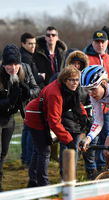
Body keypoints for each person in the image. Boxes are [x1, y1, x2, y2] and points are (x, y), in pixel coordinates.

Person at [24, 65, 88, 187]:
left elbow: (75, 102)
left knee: (38, 150)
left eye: (77, 80)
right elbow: (54, 122)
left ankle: (33, 181)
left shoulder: (67, 89)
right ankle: (43, 184)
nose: (75, 83)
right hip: (35, 116)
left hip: (41, 115)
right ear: (64, 80)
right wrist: (69, 141)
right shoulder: (55, 94)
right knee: (44, 151)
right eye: (72, 80)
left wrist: (84, 115)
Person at [0, 44, 39, 192]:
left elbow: (37, 89)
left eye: (16, 64)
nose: (13, 68)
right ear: (3, 64)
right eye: (9, 64)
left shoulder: (25, 69)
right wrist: (9, 101)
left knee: (4, 152)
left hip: (10, 118)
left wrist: (28, 92)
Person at [49, 48, 93, 179]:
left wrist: (86, 116)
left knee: (75, 149)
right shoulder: (60, 78)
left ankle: (71, 175)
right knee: (66, 147)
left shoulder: (85, 79)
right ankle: (66, 175)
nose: (77, 66)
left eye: (79, 64)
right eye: (74, 63)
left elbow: (84, 100)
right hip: (65, 119)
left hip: (78, 119)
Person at [83, 29, 109, 179]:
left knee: (107, 136)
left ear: (106, 43)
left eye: (102, 42)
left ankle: (101, 165)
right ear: (92, 43)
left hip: (108, 106)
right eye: (97, 42)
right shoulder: (87, 58)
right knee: (93, 138)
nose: (100, 45)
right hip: (93, 104)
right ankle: (90, 168)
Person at [20, 32, 44, 169]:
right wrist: (40, 77)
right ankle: (28, 160)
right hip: (29, 97)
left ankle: (25, 158)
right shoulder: (24, 57)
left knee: (26, 129)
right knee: (29, 129)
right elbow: (29, 79)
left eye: (34, 43)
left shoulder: (28, 55)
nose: (33, 46)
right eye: (30, 43)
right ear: (23, 44)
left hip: (29, 96)